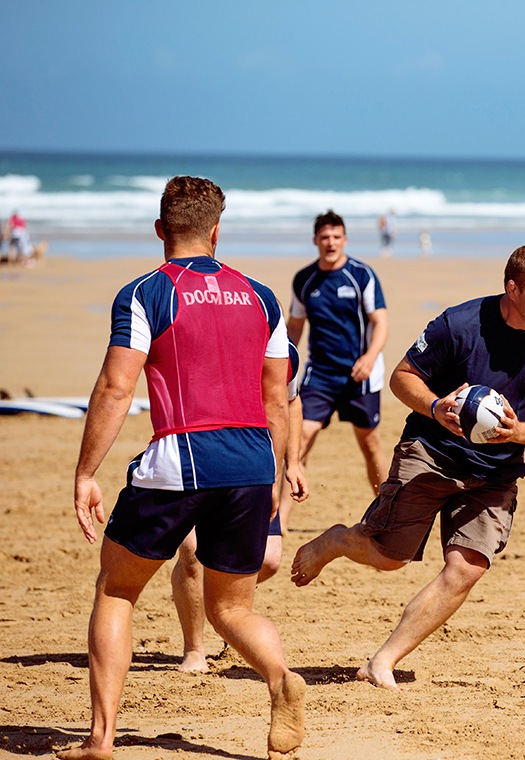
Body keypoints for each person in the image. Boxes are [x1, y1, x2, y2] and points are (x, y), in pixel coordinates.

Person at [63, 176, 304, 760]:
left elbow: (117, 386)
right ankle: (278, 678)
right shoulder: (262, 295)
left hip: (180, 458)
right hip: (249, 463)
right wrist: (280, 470)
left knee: (117, 591)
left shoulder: (145, 293)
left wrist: (85, 472)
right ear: (217, 231)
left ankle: (100, 739)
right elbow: (279, 396)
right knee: (232, 609)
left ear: (159, 230)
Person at [290, 244, 525, 692]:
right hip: (431, 451)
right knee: (390, 558)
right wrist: (435, 406)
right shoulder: (460, 324)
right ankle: (337, 540)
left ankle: (381, 661)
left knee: (466, 567)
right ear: (512, 288)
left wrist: (517, 433)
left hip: (498, 470)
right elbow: (402, 377)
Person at [170, 341, 310, 673]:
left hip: (255, 464)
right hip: (202, 454)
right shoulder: (208, 334)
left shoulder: (282, 349)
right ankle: (194, 649)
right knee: (191, 551)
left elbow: (290, 402)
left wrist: (292, 463)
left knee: (269, 560)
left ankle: (220, 605)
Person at [286, 210, 389, 530]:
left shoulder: (361, 275)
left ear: (345, 239)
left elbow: (381, 322)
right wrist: (282, 368)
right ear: (315, 241)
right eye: (324, 237)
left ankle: (389, 513)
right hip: (320, 375)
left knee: (370, 445)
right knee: (300, 439)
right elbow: (295, 328)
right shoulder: (304, 280)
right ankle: (281, 520)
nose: (330, 243)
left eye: (336, 237)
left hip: (360, 374)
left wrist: (370, 357)